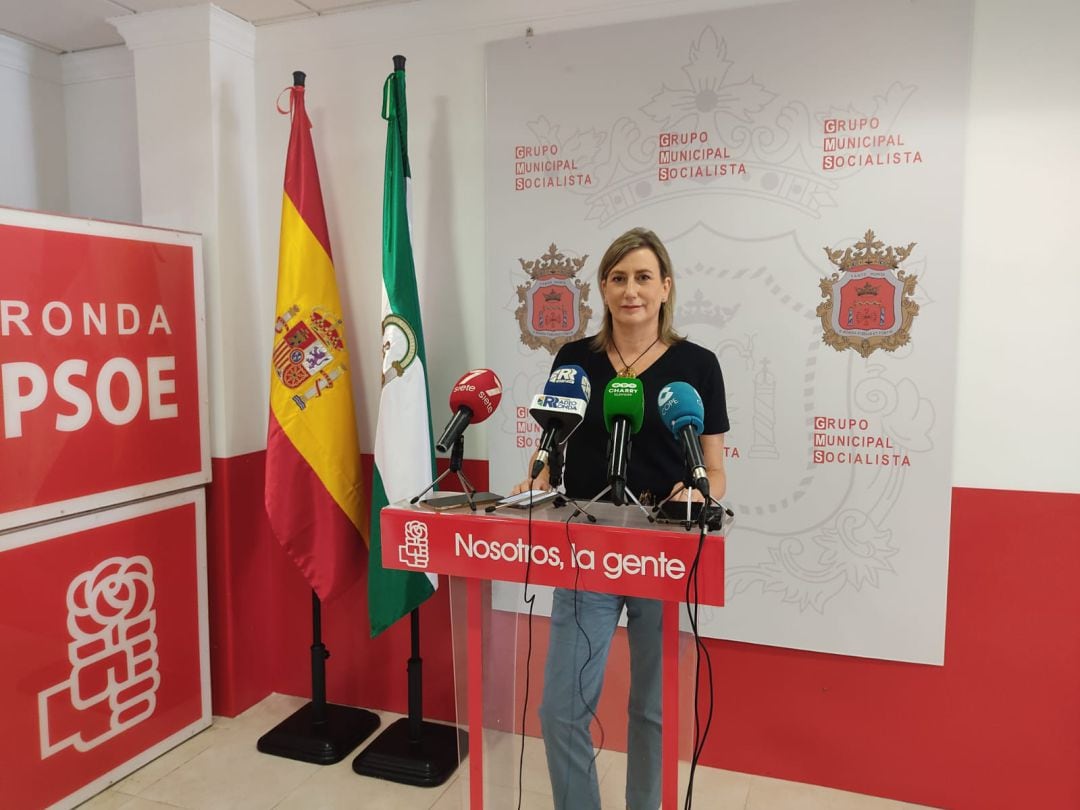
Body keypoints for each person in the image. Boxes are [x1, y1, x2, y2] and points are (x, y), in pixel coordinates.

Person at [510, 227, 729, 810]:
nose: (630, 290)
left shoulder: (697, 366)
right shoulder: (573, 359)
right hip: (587, 550)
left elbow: (715, 468)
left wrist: (696, 491)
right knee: (560, 711)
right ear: (603, 288)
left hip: (661, 554)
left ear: (665, 288)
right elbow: (549, 447)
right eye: (617, 278)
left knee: (651, 711)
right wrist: (535, 474)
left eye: (642, 278)